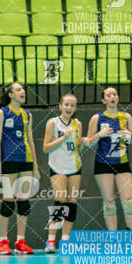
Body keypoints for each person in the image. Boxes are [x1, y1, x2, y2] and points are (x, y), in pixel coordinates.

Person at [0, 83, 40, 255]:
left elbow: (31, 139)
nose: (23, 92)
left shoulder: (27, 114)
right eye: (18, 90)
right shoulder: (2, 113)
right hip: (8, 160)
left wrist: (35, 165)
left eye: (23, 90)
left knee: (24, 201)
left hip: (25, 159)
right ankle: (2, 241)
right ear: (10, 94)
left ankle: (21, 241)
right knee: (8, 201)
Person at [85, 87, 132, 230]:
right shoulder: (97, 118)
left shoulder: (126, 117)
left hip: (122, 162)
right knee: (109, 202)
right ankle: (113, 237)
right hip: (103, 163)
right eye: (109, 95)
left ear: (118, 98)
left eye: (114, 94)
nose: (112, 97)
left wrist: (129, 135)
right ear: (104, 100)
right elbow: (89, 143)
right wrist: (99, 135)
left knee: (128, 201)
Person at [42, 93, 82, 253]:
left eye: (72, 105)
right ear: (60, 106)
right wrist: (63, 137)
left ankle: (65, 240)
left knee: (72, 202)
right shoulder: (52, 123)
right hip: (57, 166)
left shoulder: (77, 123)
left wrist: (82, 142)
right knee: (60, 200)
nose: (69, 108)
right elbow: (45, 147)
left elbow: (78, 147)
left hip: (74, 166)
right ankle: (51, 240)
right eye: (66, 104)